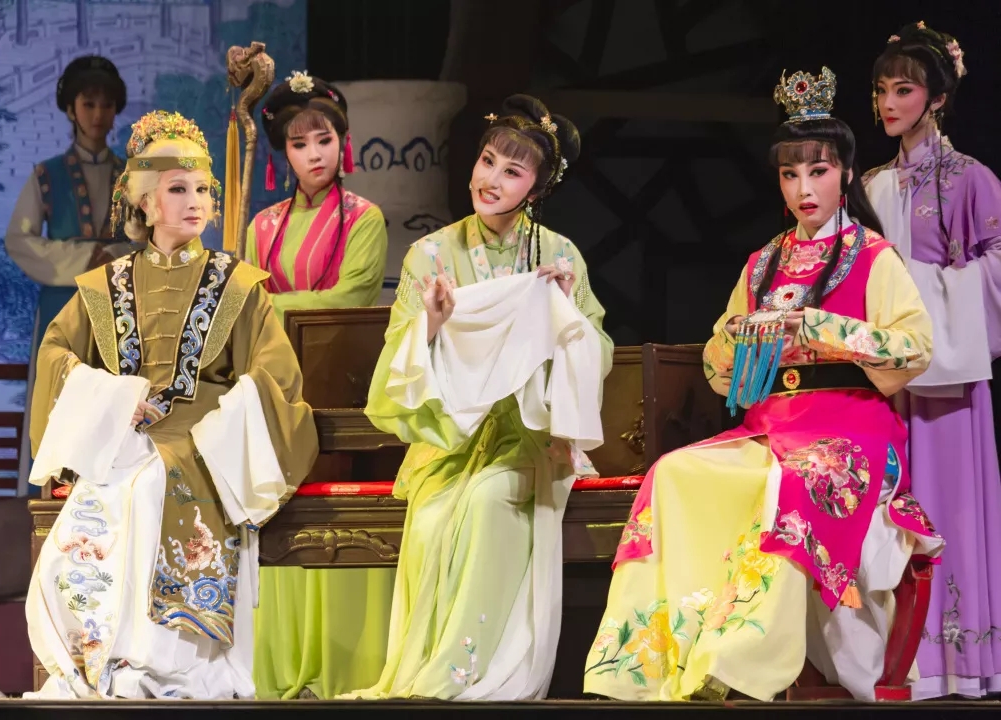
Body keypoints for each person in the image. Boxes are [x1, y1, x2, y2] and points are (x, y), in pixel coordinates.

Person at [583, 67, 944, 703]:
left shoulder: (873, 256)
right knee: (672, 474)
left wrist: (820, 326)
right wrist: (741, 336)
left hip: (851, 428)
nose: (804, 188)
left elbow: (916, 346)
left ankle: (735, 660)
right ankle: (652, 661)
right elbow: (717, 366)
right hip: (771, 426)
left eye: (818, 171)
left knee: (795, 485)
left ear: (846, 174)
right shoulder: (762, 263)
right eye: (789, 174)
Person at [23, 110, 318, 699]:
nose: (196, 202)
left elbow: (274, 374)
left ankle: (166, 664)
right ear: (145, 203)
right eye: (178, 189)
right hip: (125, 434)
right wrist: (113, 399)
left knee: (150, 486)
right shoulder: (107, 284)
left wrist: (229, 421)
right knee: (101, 499)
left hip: (204, 438)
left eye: (203, 190)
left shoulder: (237, 285)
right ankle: (101, 658)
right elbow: (55, 352)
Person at [344, 94, 613, 701]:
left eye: (512, 172)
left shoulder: (559, 256)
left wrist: (564, 314)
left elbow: (595, 352)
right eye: (488, 160)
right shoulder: (431, 254)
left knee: (491, 501)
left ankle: (471, 677)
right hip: (450, 438)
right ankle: (426, 674)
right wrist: (432, 325)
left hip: (528, 435)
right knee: (433, 519)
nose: (491, 180)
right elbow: (395, 363)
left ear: (536, 189)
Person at [864, 22, 1001, 700]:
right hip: (884, 375)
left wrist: (923, 289)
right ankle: (889, 661)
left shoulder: (972, 178)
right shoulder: (868, 184)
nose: (888, 103)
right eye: (881, 90)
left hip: (947, 374)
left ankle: (959, 662)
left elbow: (997, 264)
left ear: (937, 98)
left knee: (949, 511)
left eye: (904, 90)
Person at [247, 70, 391, 700]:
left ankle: (342, 664)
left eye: (324, 140)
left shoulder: (365, 218)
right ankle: (279, 662)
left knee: (336, 512)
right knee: (279, 511)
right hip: (277, 384)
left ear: (343, 142)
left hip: (338, 378)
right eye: (299, 143)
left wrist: (271, 303)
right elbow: (246, 308)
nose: (313, 154)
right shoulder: (262, 225)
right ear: (284, 153)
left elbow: (350, 299)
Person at [6, 55, 134, 495]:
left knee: (116, 399)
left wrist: (112, 257)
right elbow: (19, 240)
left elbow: (150, 240)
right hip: (61, 305)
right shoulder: (47, 175)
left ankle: (115, 493)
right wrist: (83, 261)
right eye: (88, 104)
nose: (98, 114)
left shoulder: (132, 177)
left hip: (118, 304)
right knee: (57, 395)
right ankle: (49, 499)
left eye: (106, 105)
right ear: (70, 109)